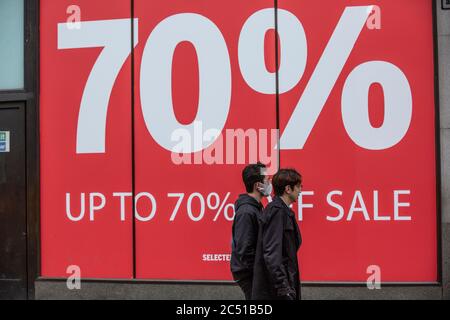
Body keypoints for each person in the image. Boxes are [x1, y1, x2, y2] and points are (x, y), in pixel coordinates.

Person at [252, 168, 302, 300]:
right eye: (298, 186)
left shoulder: (282, 211)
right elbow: (272, 254)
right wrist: (284, 288)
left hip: (283, 286)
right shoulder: (277, 212)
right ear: (288, 189)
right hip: (278, 291)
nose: (300, 190)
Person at [230, 162, 272, 300]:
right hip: (250, 274)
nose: (269, 183)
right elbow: (245, 249)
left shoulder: (256, 208)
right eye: (267, 180)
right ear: (257, 186)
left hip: (255, 272)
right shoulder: (247, 212)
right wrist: (260, 271)